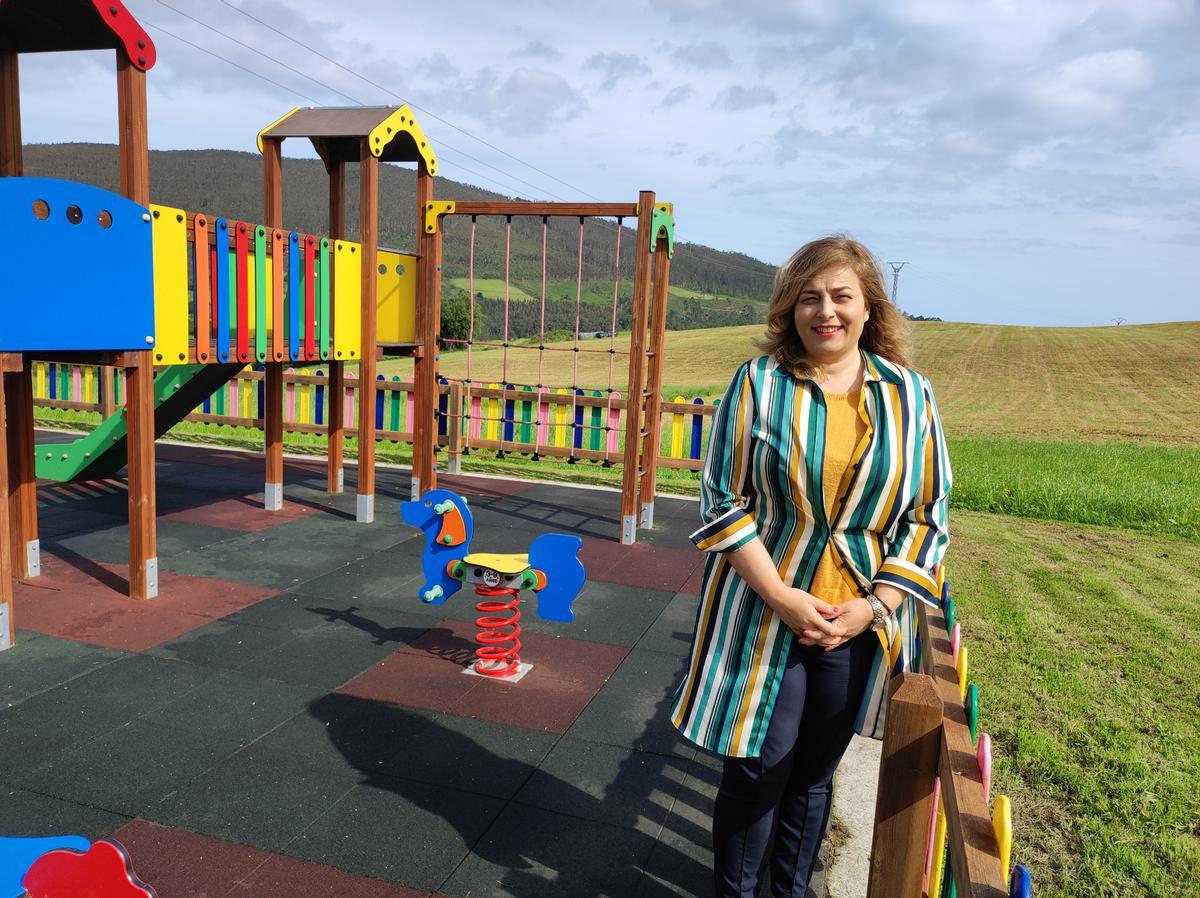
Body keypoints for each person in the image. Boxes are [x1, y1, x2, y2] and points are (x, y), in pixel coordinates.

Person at [671, 236, 952, 897]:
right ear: (790, 310)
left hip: (857, 619)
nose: (825, 311)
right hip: (768, 611)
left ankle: (790, 891)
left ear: (869, 308)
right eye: (810, 298)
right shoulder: (759, 384)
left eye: (841, 297)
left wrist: (873, 605)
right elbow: (722, 499)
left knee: (814, 775)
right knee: (758, 767)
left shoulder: (911, 396)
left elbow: (928, 515)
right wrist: (781, 595)